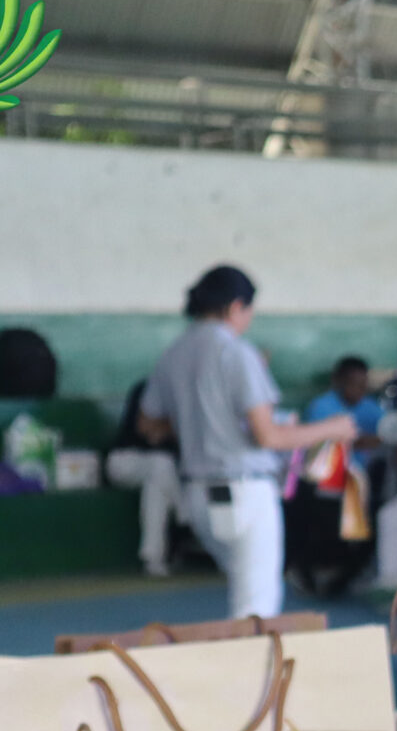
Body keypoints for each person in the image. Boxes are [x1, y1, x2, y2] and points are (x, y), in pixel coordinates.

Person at [134, 265, 354, 619]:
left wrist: (201, 426)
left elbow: (148, 424)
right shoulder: (236, 352)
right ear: (237, 306)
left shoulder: (173, 353)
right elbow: (269, 436)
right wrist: (332, 428)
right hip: (244, 493)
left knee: (244, 595)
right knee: (255, 613)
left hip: (198, 495)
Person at [287, 355, 384, 598]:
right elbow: (321, 446)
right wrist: (358, 441)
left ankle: (349, 574)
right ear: (338, 381)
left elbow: (386, 435)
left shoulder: (371, 408)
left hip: (361, 482)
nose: (358, 390)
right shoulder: (322, 406)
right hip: (326, 480)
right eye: (352, 384)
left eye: (363, 385)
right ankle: (310, 569)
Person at [107, 377, 183, 578]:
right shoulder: (150, 388)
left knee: (157, 488)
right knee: (162, 464)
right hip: (124, 462)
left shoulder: (189, 392)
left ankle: (153, 558)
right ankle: (187, 513)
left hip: (159, 473)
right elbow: (149, 431)